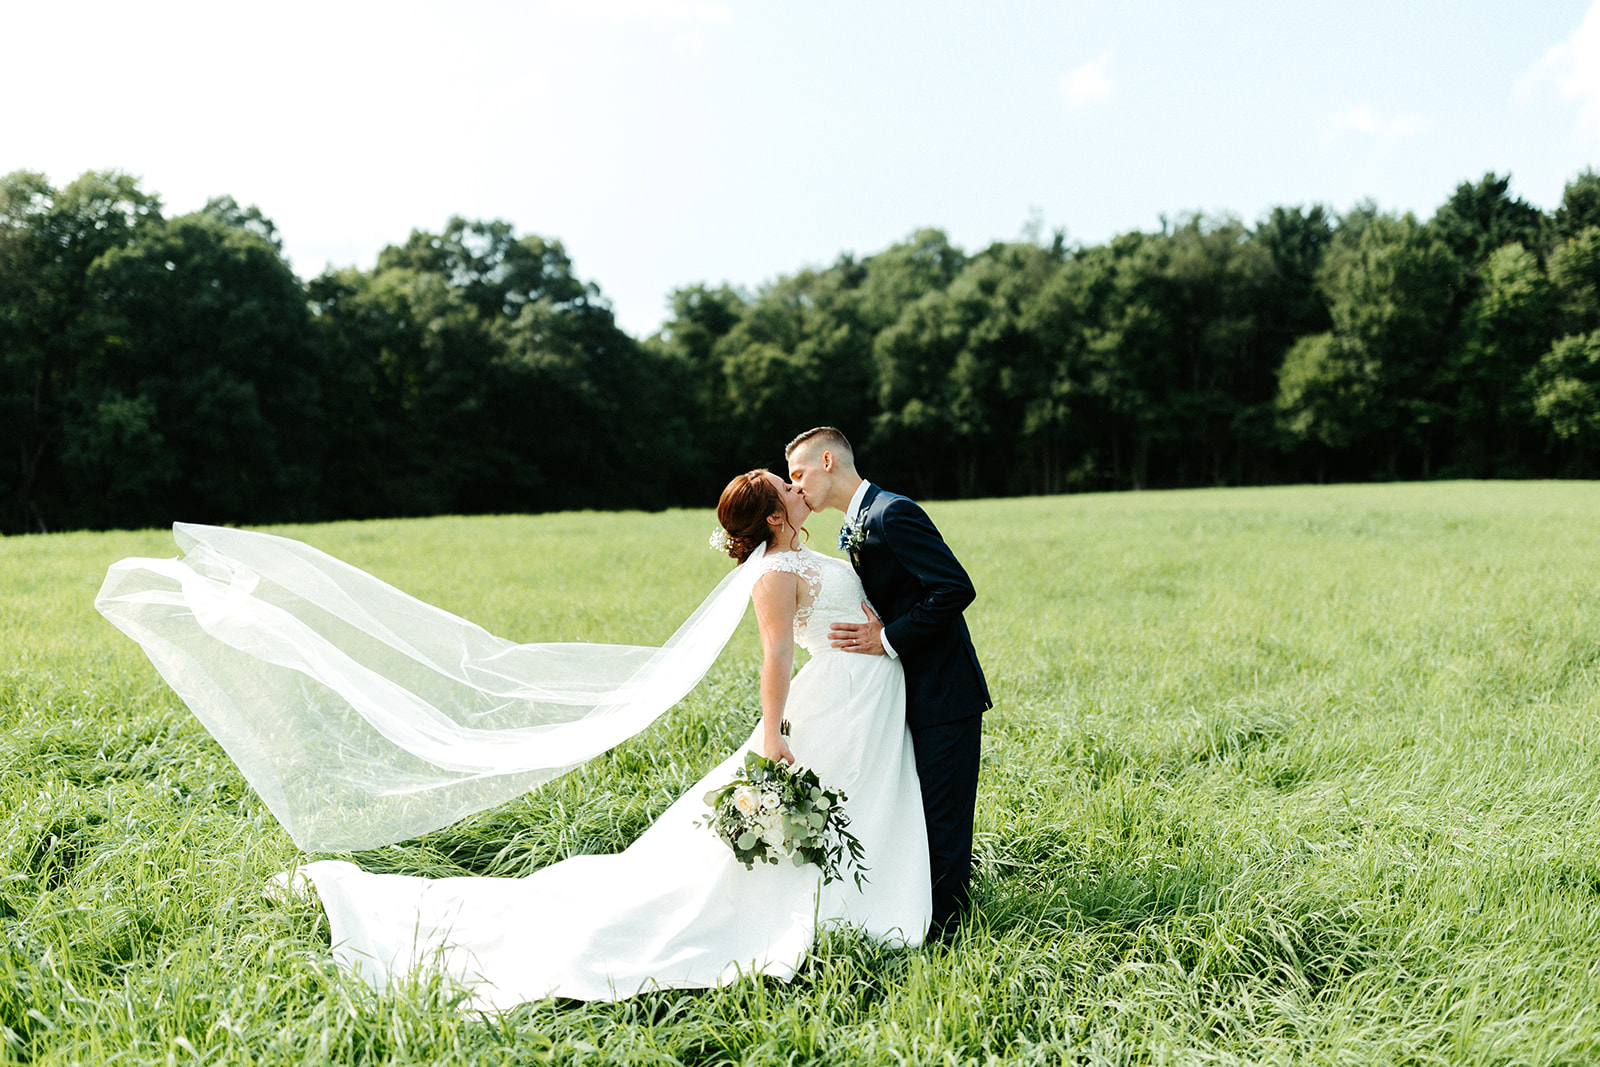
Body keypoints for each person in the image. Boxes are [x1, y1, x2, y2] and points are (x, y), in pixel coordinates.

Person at [95, 471, 930, 1007]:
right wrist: (775, 736)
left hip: (857, 697)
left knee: (854, 804)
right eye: (778, 486)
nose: (791, 487)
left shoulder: (809, 555)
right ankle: (820, 912)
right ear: (773, 516)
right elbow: (776, 655)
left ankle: (858, 901)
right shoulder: (775, 573)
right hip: (818, 703)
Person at [784, 427, 990, 941]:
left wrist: (888, 638)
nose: (797, 486)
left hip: (942, 691)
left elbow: (954, 588)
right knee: (916, 813)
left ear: (828, 460)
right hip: (898, 694)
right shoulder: (855, 525)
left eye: (799, 474)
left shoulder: (892, 512)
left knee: (943, 818)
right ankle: (918, 912)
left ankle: (949, 935)